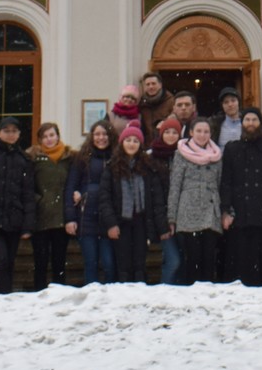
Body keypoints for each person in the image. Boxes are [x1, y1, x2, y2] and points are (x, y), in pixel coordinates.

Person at [221, 107, 262, 287]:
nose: (250, 124)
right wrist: (225, 210)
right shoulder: (232, 149)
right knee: (240, 262)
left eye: (254, 120)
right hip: (240, 213)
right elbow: (226, 182)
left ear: (260, 124)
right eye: (247, 120)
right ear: (242, 124)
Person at [0, 117, 36, 294]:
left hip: (15, 218)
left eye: (14, 131)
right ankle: (0, 292)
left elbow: (28, 193)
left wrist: (28, 224)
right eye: (7, 131)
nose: (10, 134)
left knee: (10, 260)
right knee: (1, 259)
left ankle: (4, 294)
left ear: (19, 134)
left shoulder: (24, 159)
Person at [168, 117, 224, 284]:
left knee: (208, 259)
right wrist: (172, 217)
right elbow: (175, 186)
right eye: (198, 131)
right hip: (188, 212)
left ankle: (207, 295)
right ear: (191, 132)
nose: (202, 135)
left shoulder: (217, 156)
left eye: (206, 131)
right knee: (192, 259)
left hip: (210, 212)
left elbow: (220, 184)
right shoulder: (180, 154)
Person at [105, 125, 163, 282]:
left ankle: (139, 294)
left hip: (141, 221)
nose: (131, 144)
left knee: (139, 262)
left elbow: (155, 197)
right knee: (123, 264)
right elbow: (105, 198)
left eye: (136, 141)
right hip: (120, 221)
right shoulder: (112, 167)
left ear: (141, 145)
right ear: (122, 143)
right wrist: (111, 223)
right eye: (128, 140)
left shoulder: (148, 167)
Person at [65, 121, 117, 284]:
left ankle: (110, 299)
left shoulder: (116, 157)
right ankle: (92, 298)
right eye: (97, 134)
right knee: (91, 263)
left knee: (109, 263)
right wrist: (70, 218)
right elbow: (70, 187)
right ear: (91, 137)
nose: (101, 138)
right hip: (86, 216)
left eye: (105, 134)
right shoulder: (82, 158)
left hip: (109, 217)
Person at [28, 122, 75, 290]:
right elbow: (27, 185)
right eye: (45, 136)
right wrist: (37, 200)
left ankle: (59, 292)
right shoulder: (33, 159)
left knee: (59, 260)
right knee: (40, 260)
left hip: (62, 217)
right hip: (41, 216)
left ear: (58, 136)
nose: (49, 139)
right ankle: (39, 291)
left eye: (52, 135)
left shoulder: (69, 158)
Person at [149, 116, 185, 284]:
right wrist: (162, 223)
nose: (171, 136)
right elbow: (154, 195)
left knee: (177, 261)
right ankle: (166, 291)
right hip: (162, 217)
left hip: (182, 218)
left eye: (174, 132)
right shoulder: (152, 158)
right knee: (174, 261)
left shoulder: (185, 154)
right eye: (167, 132)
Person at [136, 72, 172, 138]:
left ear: (160, 85)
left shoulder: (170, 101)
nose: (151, 87)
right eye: (148, 84)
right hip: (147, 145)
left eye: (153, 84)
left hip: (164, 143)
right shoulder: (141, 104)